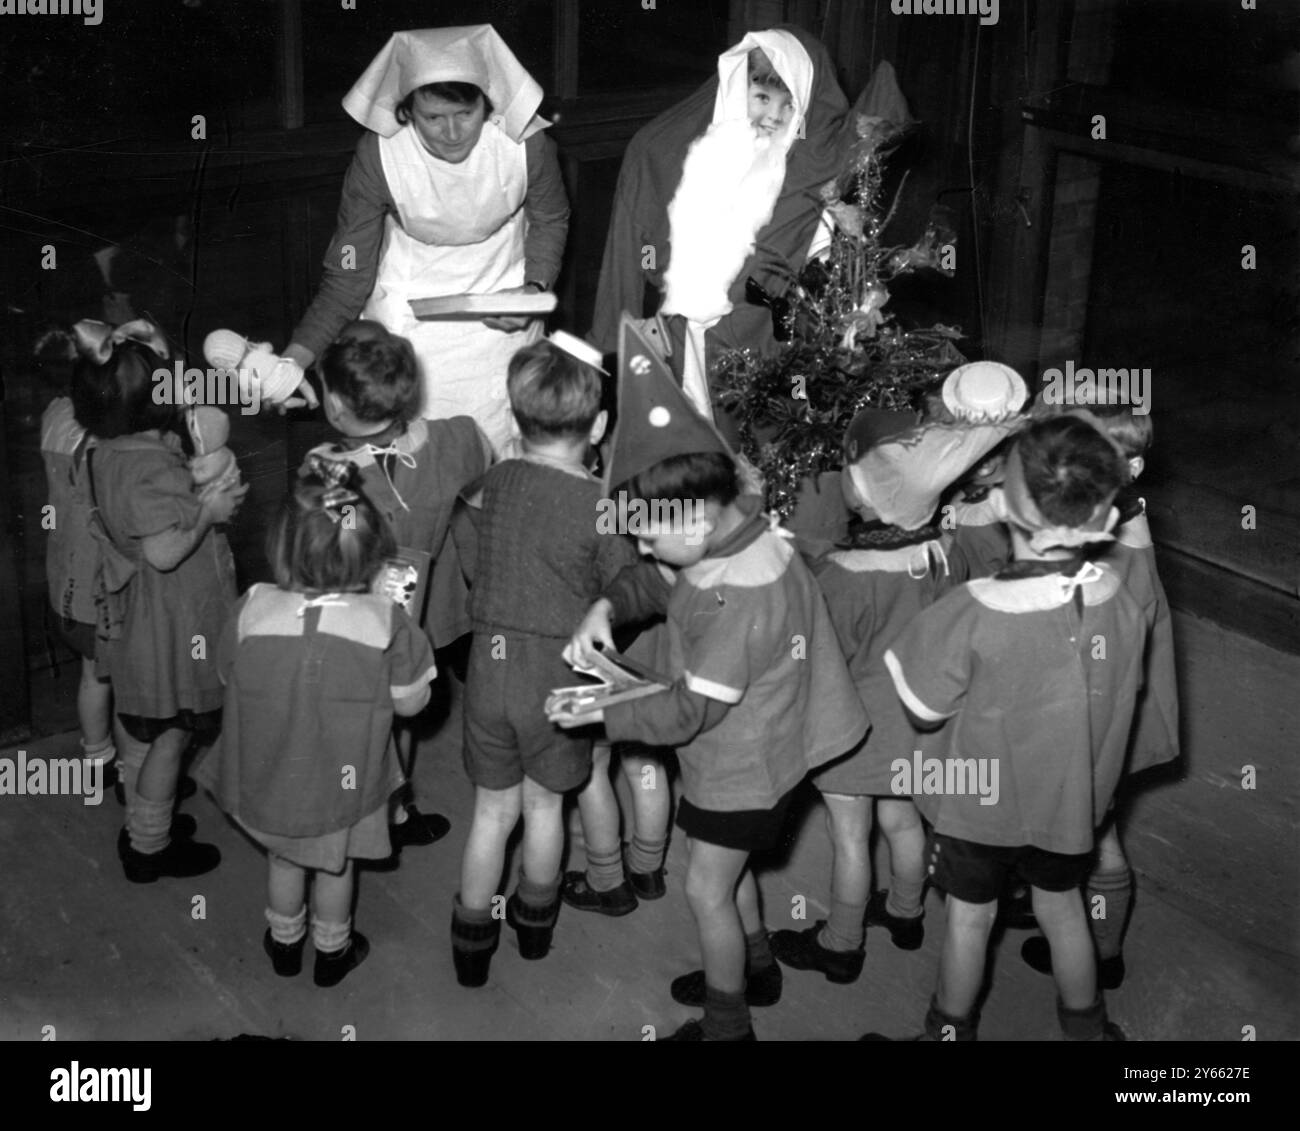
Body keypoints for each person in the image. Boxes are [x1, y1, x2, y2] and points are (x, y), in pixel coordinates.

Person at [552, 319, 868, 1041]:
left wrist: (605, 709)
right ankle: (756, 963)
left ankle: (729, 1023)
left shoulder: (735, 598)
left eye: (648, 531)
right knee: (726, 871)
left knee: (706, 887)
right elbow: (663, 581)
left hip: (744, 768)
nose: (638, 543)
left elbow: (688, 711)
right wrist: (608, 600)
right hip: (767, 752)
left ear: (694, 513)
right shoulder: (739, 529)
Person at [867, 416, 1144, 1042]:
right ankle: (1089, 1033)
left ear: (1001, 502)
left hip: (978, 812)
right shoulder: (1121, 600)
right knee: (1062, 908)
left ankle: (948, 1033)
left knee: (970, 920)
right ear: (1104, 520)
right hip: (1071, 807)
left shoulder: (970, 610)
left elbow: (923, 710)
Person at [282, 26, 570, 455]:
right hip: (410, 328)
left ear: (487, 104)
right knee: (421, 468)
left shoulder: (528, 144)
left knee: (498, 461)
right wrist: (293, 361)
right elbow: (346, 275)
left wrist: (533, 290)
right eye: (433, 118)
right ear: (405, 112)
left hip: (503, 314)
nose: (452, 133)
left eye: (465, 114)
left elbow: (550, 218)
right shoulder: (379, 156)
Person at [450, 334, 638, 987]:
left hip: (487, 666)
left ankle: (470, 947)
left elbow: (471, 533)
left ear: (514, 416)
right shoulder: (601, 505)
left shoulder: (496, 480)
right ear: (601, 425)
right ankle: (534, 929)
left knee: (490, 813)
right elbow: (628, 589)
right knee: (544, 808)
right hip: (557, 675)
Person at [201, 472, 437, 987]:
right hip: (345, 779)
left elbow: (224, 676)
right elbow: (412, 702)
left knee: (284, 860)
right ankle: (333, 951)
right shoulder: (386, 623)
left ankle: (284, 944)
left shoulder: (251, 608)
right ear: (370, 560)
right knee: (334, 866)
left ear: (280, 548)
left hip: (271, 773)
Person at [591, 27, 848, 417]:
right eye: (762, 98)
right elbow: (642, 249)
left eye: (789, 106)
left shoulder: (812, 171)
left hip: (766, 351)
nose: (773, 117)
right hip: (683, 340)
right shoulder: (694, 153)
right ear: (736, 90)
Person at [302, 320, 491, 846]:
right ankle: (398, 809)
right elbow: (479, 456)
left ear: (336, 407)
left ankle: (369, 808)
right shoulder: (456, 439)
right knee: (408, 706)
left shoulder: (324, 469)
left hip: (359, 616)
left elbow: (330, 543)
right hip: (426, 608)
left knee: (364, 717)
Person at [74, 319, 244, 882]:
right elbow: (166, 551)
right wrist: (209, 513)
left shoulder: (109, 452)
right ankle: (149, 846)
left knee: (141, 724)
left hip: (132, 618)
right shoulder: (149, 466)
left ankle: (146, 803)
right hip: (165, 621)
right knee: (173, 731)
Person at [1019, 403, 1180, 988]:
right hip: (1106, 708)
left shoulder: (1123, 545)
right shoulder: (1118, 516)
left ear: (1130, 465)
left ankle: (1103, 952)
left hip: (1104, 718)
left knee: (1098, 837)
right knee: (1088, 830)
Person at [42, 382, 120, 800]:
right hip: (95, 579)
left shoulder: (55, 412)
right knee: (110, 674)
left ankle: (96, 759)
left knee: (92, 674)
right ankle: (120, 764)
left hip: (63, 574)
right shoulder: (100, 438)